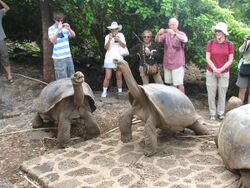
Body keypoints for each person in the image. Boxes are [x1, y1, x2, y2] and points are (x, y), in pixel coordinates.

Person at [205, 22, 234, 120]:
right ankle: (212, 113)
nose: (217, 32)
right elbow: (208, 58)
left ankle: (221, 113)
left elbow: (230, 60)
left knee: (222, 93)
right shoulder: (211, 43)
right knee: (211, 93)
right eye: (216, 31)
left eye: (219, 31)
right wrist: (214, 69)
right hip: (211, 71)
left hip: (224, 72)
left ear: (224, 33)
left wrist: (220, 70)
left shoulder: (230, 44)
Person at [155, 18, 188, 93]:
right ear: (168, 25)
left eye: (173, 25)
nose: (172, 26)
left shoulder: (181, 33)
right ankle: (173, 101)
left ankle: (182, 101)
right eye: (170, 25)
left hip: (178, 63)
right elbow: (157, 40)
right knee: (171, 84)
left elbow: (185, 40)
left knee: (179, 84)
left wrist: (174, 34)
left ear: (177, 25)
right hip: (167, 63)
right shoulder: (166, 35)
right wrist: (158, 34)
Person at [101, 21, 127, 97]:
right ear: (111, 30)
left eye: (115, 29)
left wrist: (118, 40)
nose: (114, 30)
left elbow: (124, 46)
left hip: (118, 59)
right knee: (107, 77)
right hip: (109, 58)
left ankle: (120, 92)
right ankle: (104, 91)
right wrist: (109, 39)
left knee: (119, 76)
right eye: (112, 29)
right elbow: (106, 47)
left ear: (118, 29)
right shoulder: (107, 36)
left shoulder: (121, 35)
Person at [48, 11, 76, 80]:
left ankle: (71, 91)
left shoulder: (65, 28)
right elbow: (52, 41)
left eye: (62, 20)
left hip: (68, 56)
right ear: (54, 20)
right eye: (58, 20)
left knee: (72, 76)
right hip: (59, 58)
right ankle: (62, 91)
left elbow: (73, 35)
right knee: (61, 79)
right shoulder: (51, 29)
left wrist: (69, 28)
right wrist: (58, 30)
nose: (60, 22)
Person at [0, 0, 14, 84]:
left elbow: (7, 8)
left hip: (0, 39)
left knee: (5, 56)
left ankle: (9, 76)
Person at [236, 35, 250, 104]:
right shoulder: (248, 42)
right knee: (242, 89)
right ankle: (239, 110)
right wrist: (245, 41)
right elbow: (240, 50)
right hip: (245, 67)